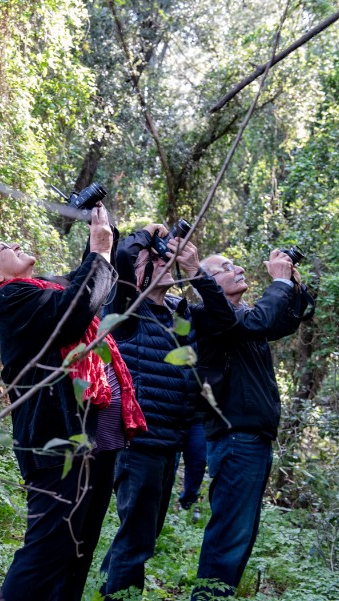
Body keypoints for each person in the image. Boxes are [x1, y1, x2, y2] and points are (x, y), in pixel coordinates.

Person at [0, 205, 147, 601]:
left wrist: (101, 240)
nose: (16, 244)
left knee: (77, 551)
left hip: (94, 440)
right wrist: (98, 251)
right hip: (56, 443)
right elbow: (74, 312)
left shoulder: (42, 289)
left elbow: (83, 287)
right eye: (4, 246)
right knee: (47, 551)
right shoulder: (9, 301)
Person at [99, 224, 236, 599]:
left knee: (144, 534)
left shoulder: (181, 314)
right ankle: (119, 594)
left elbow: (226, 321)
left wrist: (197, 272)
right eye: (154, 259)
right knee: (138, 539)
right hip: (137, 443)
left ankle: (105, 585)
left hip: (167, 444)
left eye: (165, 257)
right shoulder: (126, 311)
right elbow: (122, 258)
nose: (163, 262)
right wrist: (146, 234)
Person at [191, 250, 315, 600]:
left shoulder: (245, 319)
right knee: (229, 534)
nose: (238, 269)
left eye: (235, 263)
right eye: (225, 269)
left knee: (240, 534)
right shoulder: (211, 318)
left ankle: (217, 596)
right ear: (205, 286)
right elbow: (257, 321)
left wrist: (290, 281)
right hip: (236, 439)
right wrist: (277, 282)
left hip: (252, 440)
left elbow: (288, 319)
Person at [175, 413, 207, 521]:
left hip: (198, 416)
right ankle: (163, 506)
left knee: (197, 463)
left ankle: (188, 502)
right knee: (169, 465)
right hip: (173, 415)